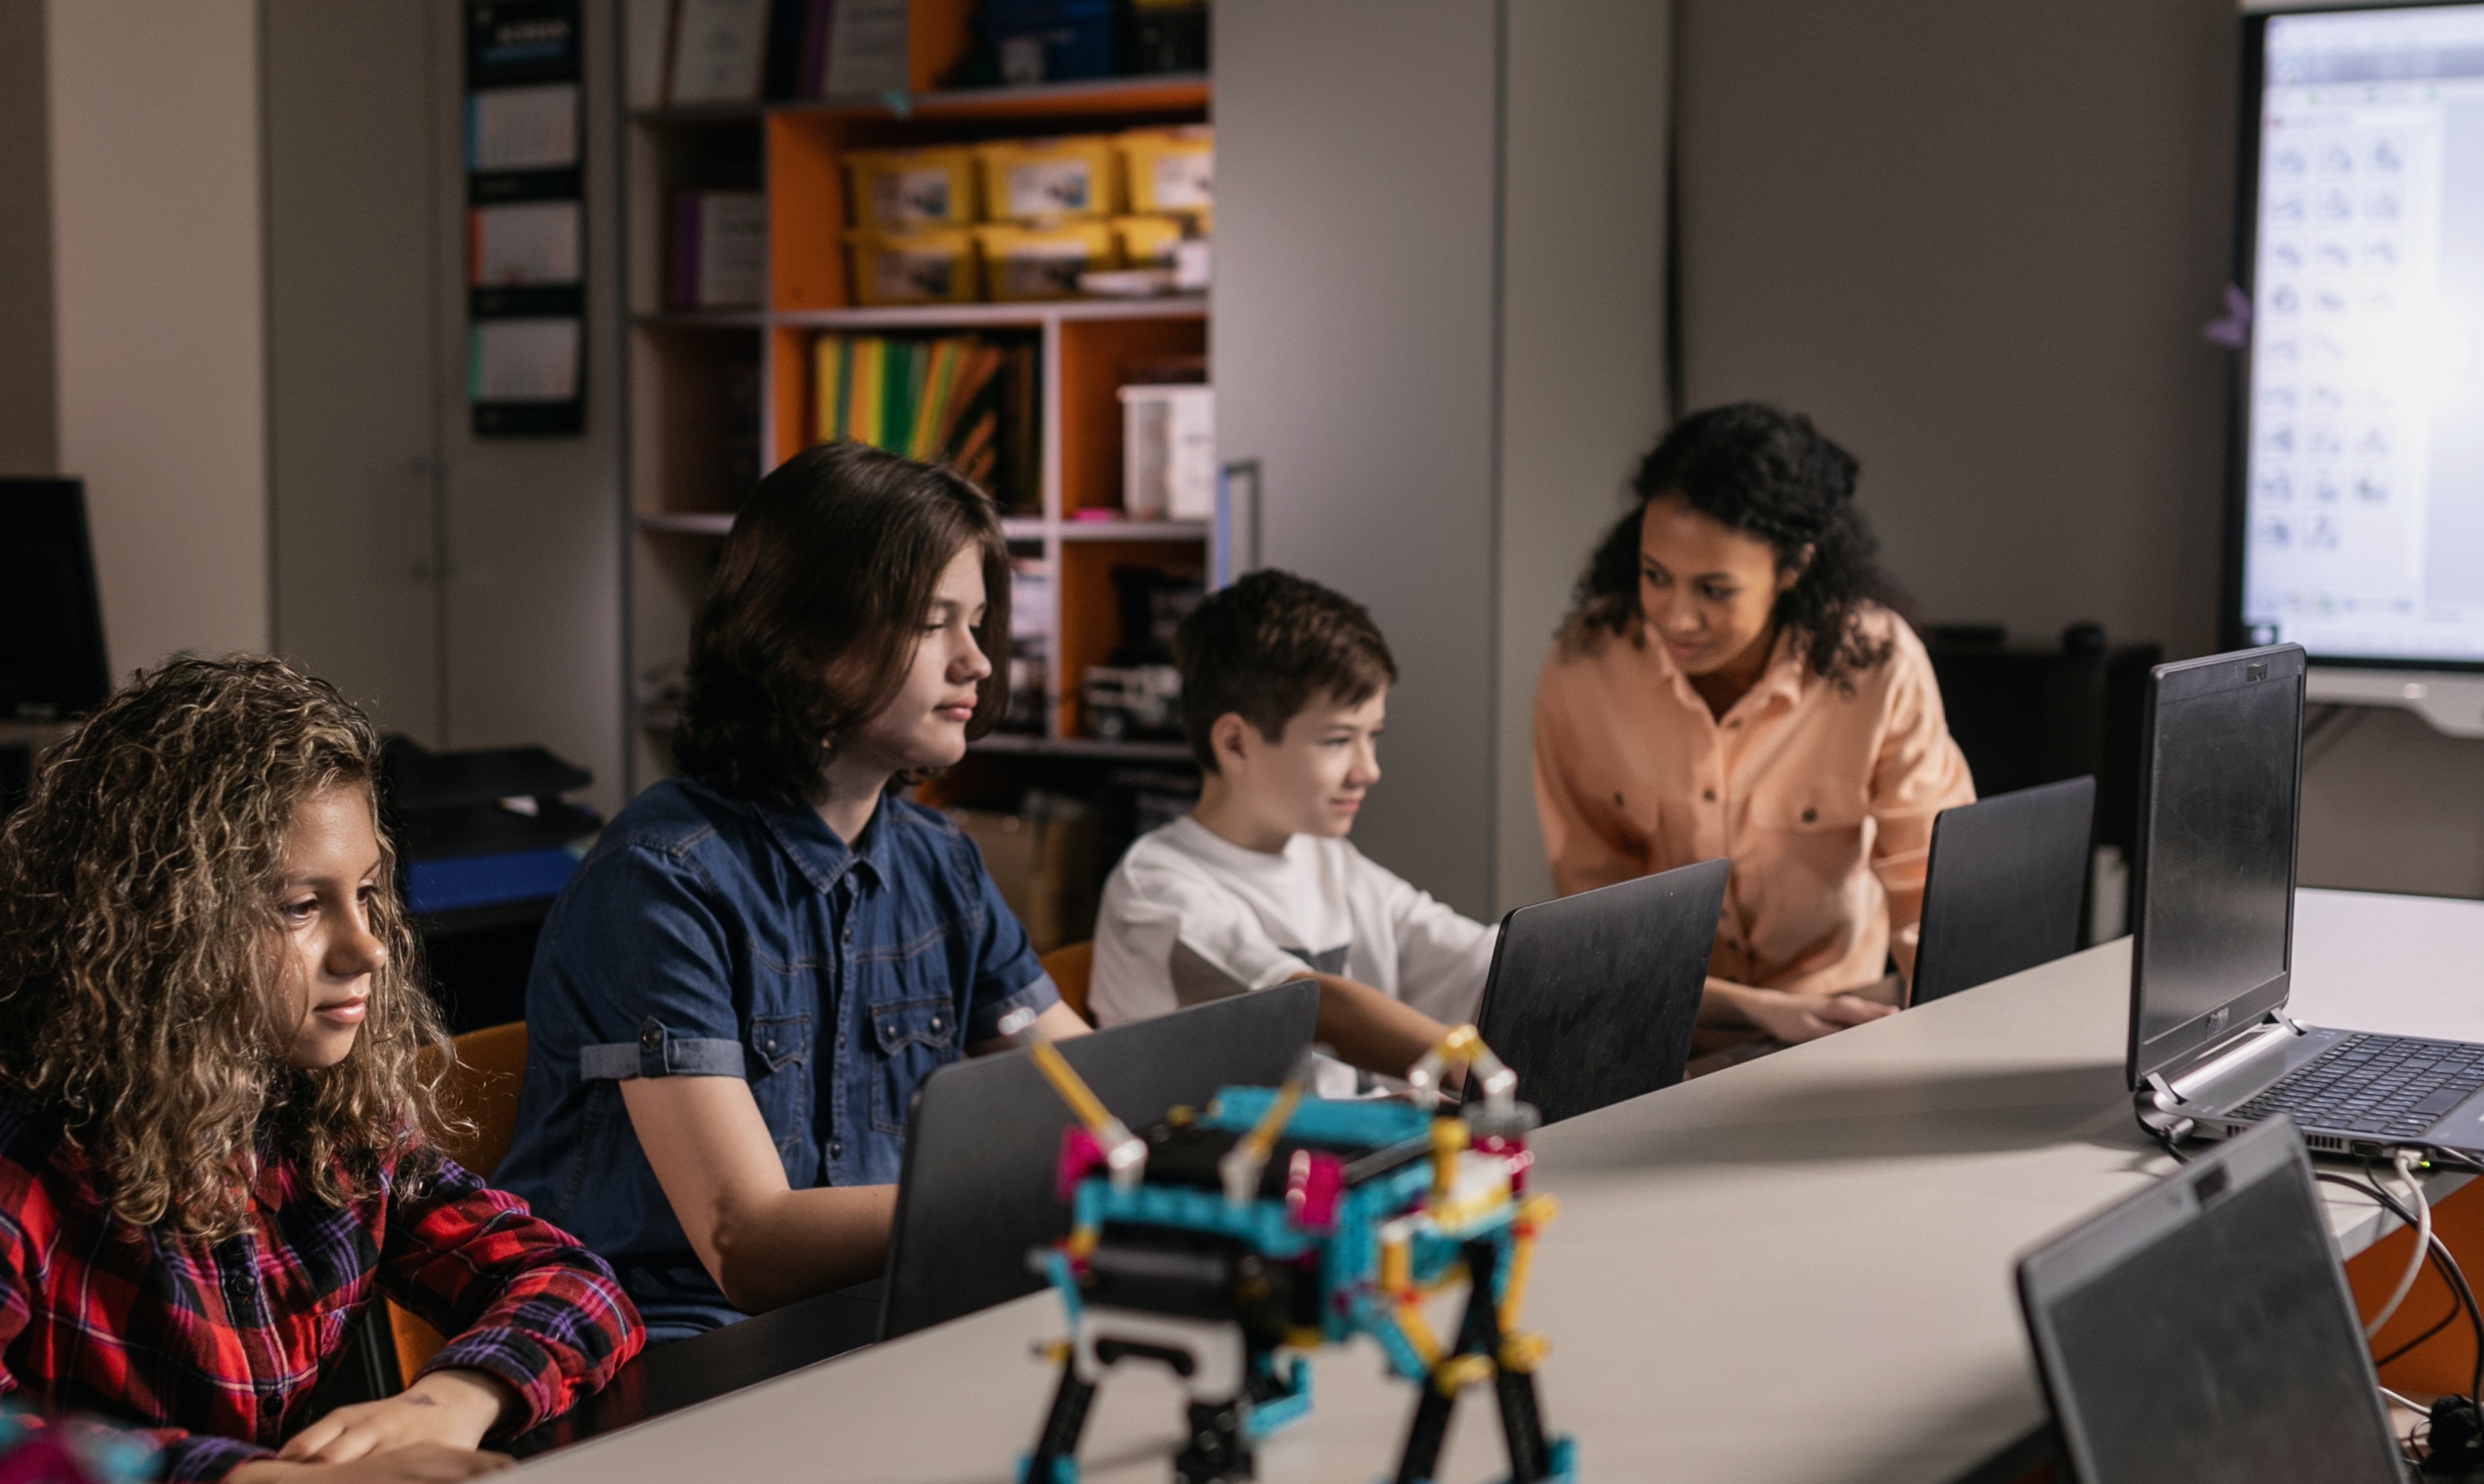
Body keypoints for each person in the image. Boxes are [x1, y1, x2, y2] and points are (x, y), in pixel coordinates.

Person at [0, 655, 641, 1484]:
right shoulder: (4, 1146)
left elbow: (575, 1283)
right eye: (303, 905)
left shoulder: (324, 1113)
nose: (368, 949)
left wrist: (449, 1399)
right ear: (163, 924)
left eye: (369, 894)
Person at [505, 442, 1090, 1340]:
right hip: (671, 1353)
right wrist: (1025, 1194)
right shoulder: (660, 883)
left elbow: (1086, 1093)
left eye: (977, 623)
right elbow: (752, 1247)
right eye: (936, 623)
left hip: (875, 1325)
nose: (977, 661)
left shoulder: (943, 864)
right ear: (807, 640)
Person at [1532, 402, 1974, 1047]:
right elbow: (1597, 925)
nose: (1676, 617)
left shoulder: (1877, 665)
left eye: (1714, 590)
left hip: (1837, 1029)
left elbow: (1933, 899)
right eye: (1655, 576)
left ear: (1792, 568)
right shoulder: (1584, 671)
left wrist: (1942, 1043)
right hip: (1662, 1030)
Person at [1090, 569, 1494, 1086]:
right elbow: (1310, 1004)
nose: (1368, 770)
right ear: (1236, 743)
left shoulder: (1325, 857)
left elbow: (1468, 956)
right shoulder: (1155, 895)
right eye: (1336, 740)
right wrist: (1471, 1069)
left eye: (1372, 736)